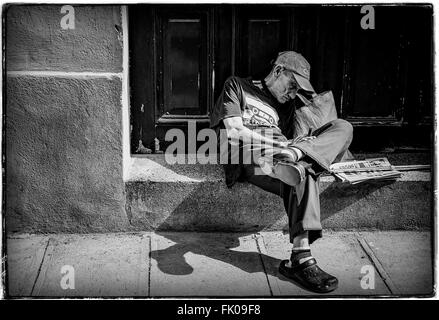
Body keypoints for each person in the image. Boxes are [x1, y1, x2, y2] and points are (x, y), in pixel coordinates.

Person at [209, 51, 353, 293]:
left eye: (298, 89)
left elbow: (317, 123)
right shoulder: (237, 85)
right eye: (292, 85)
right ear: (277, 71)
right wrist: (281, 146)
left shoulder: (289, 107)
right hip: (251, 153)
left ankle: (297, 158)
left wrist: (295, 146)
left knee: (343, 127)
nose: (293, 93)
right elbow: (233, 132)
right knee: (301, 169)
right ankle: (302, 258)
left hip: (286, 153)